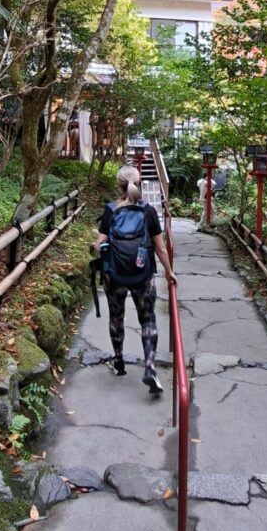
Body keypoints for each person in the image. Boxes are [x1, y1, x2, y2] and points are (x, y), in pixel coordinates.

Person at [96, 165, 177, 395]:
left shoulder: (110, 210)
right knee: (148, 319)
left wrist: (99, 248)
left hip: (115, 275)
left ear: (117, 185)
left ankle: (119, 362)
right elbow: (160, 249)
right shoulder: (148, 211)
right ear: (138, 184)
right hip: (143, 275)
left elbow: (99, 245)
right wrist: (169, 272)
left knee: (116, 317)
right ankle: (149, 366)